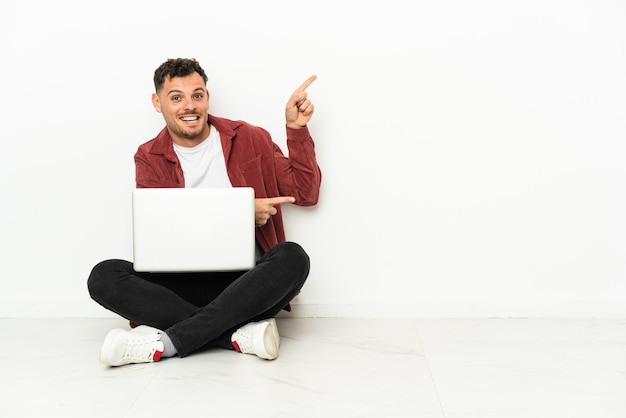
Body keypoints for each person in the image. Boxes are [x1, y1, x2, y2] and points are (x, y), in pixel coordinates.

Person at [87, 58, 322, 367]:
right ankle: (235, 336)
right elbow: (161, 230)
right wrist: (238, 214)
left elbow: (306, 194)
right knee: (103, 276)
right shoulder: (149, 156)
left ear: (207, 98)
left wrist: (296, 130)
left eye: (197, 95)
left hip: (245, 284)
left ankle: (166, 343)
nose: (190, 106)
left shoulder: (252, 138)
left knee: (293, 257)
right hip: (178, 285)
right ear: (157, 103)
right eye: (176, 97)